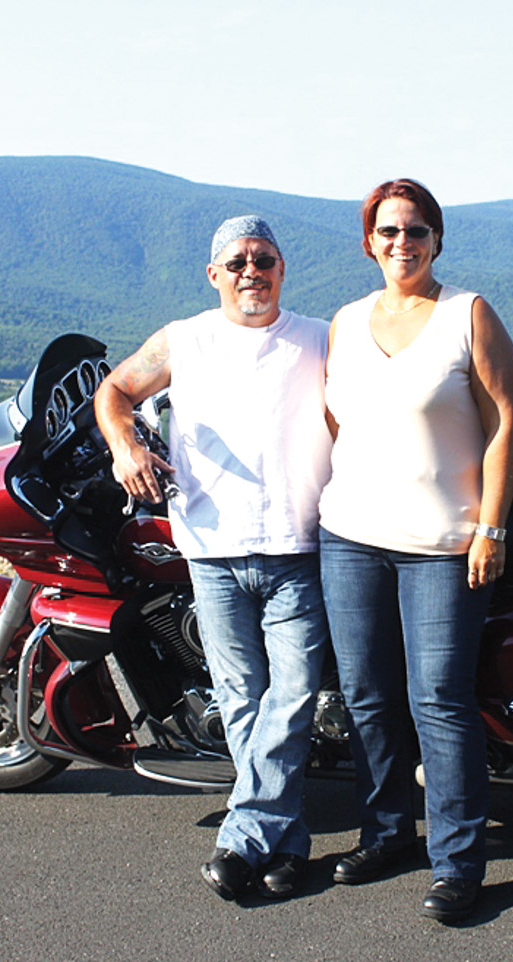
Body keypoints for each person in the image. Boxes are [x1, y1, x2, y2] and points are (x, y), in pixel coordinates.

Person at [93, 215, 332, 903]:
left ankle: (242, 838)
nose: (250, 271)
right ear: (213, 274)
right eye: (237, 262)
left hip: (297, 547)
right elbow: (113, 391)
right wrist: (124, 448)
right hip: (212, 550)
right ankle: (286, 844)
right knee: (241, 700)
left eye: (264, 259)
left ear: (283, 269)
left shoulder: (318, 339)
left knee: (287, 702)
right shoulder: (184, 339)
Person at [318, 179, 513, 923]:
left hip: (444, 545)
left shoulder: (466, 314)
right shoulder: (343, 322)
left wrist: (491, 527)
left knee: (438, 702)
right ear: (367, 242)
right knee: (367, 698)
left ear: (436, 239)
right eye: (387, 231)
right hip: (348, 539)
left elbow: (507, 421)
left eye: (415, 230)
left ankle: (457, 862)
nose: (401, 243)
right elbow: (336, 423)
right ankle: (384, 835)